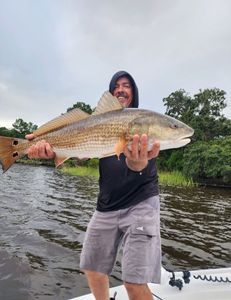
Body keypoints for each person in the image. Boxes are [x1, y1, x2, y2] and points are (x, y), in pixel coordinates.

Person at [26, 71, 161, 300]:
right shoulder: (97, 122)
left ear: (134, 93)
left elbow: (139, 168)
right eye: (116, 86)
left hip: (141, 203)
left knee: (134, 281)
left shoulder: (142, 124)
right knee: (92, 268)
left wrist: (137, 162)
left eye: (126, 85)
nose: (120, 89)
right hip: (106, 205)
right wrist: (46, 146)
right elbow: (77, 149)